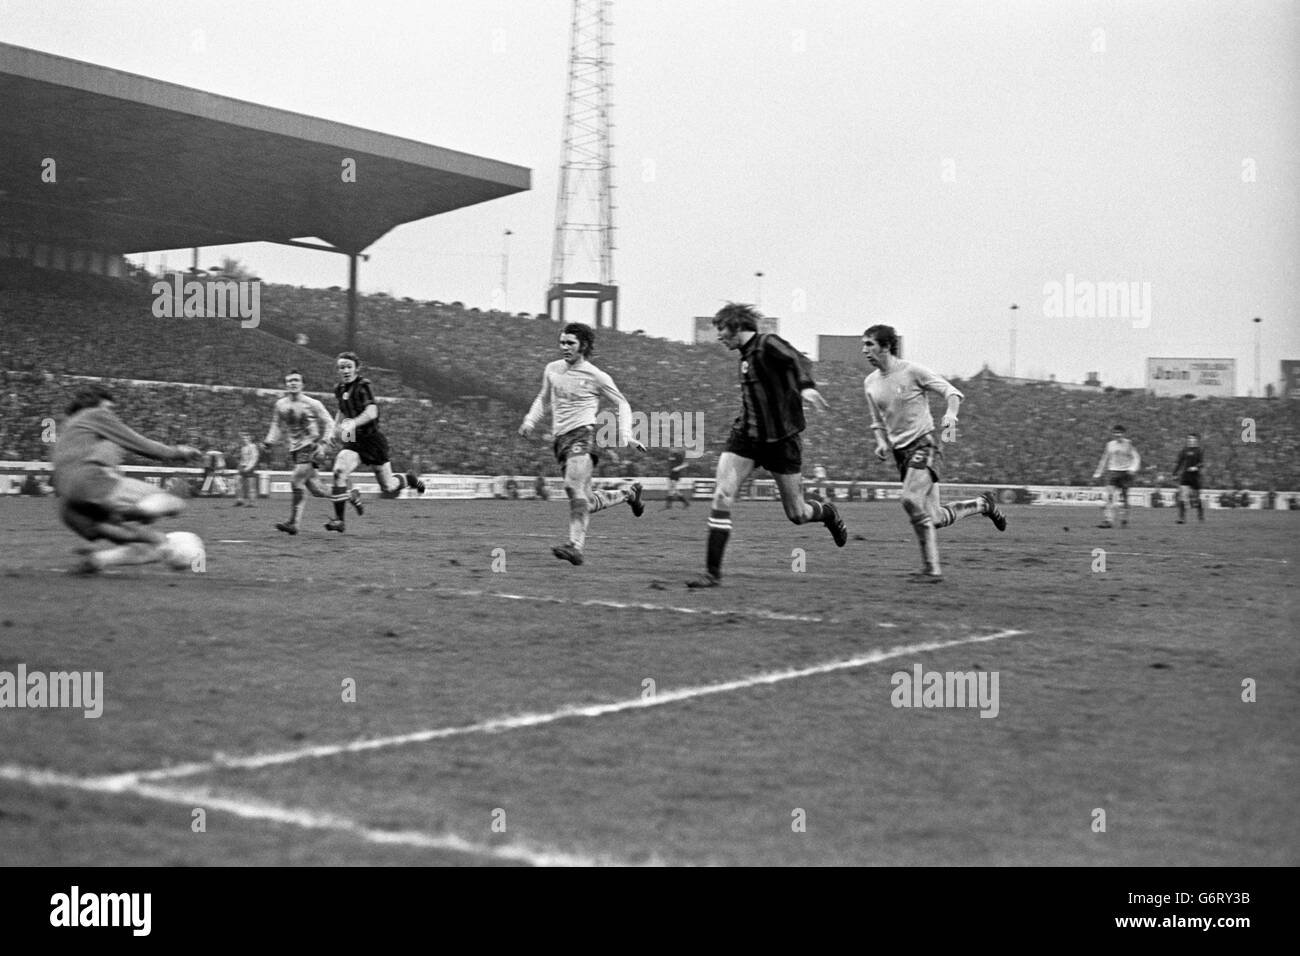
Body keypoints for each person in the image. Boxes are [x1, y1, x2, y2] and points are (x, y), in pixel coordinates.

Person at [687, 304, 847, 588]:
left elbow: (798, 360)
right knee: (722, 495)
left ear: (736, 326)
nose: (719, 336)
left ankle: (828, 513)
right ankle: (712, 574)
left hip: (782, 441)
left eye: (722, 330)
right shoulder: (745, 355)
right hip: (746, 437)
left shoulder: (766, 343)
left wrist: (806, 386)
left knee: (797, 514)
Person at [862, 324, 1005, 582]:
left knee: (909, 499)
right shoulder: (870, 383)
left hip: (924, 445)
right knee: (935, 518)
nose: (865, 350)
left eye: (869, 344)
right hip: (901, 454)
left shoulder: (912, 371)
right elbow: (876, 421)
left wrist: (950, 415)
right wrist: (881, 442)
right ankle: (984, 504)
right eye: (864, 345)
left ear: (886, 347)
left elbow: (952, 392)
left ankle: (931, 570)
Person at [518, 322, 646, 565]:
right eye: (562, 342)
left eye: (570, 343)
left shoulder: (597, 376)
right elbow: (543, 399)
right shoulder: (552, 369)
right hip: (561, 440)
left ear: (583, 346)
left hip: (583, 435)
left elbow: (622, 403)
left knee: (571, 485)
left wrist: (626, 434)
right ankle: (628, 494)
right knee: (584, 499)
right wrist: (530, 421)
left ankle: (575, 546)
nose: (564, 347)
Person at [51, 383, 203, 573]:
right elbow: (140, 443)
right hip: (91, 483)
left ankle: (97, 561)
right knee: (175, 503)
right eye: (109, 408)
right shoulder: (95, 414)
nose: (112, 414)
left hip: (68, 507)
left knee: (150, 545)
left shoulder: (67, 430)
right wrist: (178, 452)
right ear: (96, 404)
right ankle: (134, 513)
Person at [325, 352, 426, 533]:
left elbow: (372, 412)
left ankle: (409, 479)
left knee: (388, 486)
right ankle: (339, 520)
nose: (345, 370)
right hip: (353, 439)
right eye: (342, 367)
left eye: (349, 366)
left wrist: (353, 423)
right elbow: (342, 411)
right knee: (339, 470)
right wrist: (334, 430)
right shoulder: (339, 388)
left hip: (372, 440)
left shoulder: (364, 386)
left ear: (357, 368)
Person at [264, 370, 338, 535]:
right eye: (289, 381)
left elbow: (330, 422)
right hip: (295, 449)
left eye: (296, 380)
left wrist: (324, 443)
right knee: (317, 490)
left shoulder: (313, 404)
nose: (293, 383)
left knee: (296, 480)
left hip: (311, 446)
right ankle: (349, 496)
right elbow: (276, 425)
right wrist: (269, 440)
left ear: (302, 384)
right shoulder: (280, 405)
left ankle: (293, 523)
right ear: (286, 384)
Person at [1092, 424, 1141, 528]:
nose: (1117, 435)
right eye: (1115, 432)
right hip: (1112, 472)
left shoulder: (1128, 444)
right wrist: (1098, 472)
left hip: (1125, 473)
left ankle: (1124, 519)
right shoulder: (1110, 444)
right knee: (1109, 496)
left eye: (1119, 433)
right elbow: (1104, 458)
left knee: (1124, 498)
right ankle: (1108, 521)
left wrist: (1133, 469)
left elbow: (1136, 457)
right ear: (1113, 433)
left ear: (1123, 433)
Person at [1171, 432, 1204, 524]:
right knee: (1183, 496)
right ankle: (1182, 518)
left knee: (1196, 498)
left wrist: (1195, 467)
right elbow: (1179, 463)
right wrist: (1174, 473)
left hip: (1195, 477)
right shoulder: (1184, 450)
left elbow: (1201, 463)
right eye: (1189, 439)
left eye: (1192, 439)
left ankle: (1200, 514)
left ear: (1196, 440)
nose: (1190, 440)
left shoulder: (1199, 451)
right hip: (1185, 476)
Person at [234, 433, 260, 507]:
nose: (243, 439)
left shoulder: (253, 446)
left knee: (251, 486)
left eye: (245, 438)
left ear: (249, 438)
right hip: (242, 466)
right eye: (243, 438)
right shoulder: (243, 448)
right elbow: (242, 458)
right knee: (237, 482)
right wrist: (239, 466)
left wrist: (249, 467)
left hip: (250, 468)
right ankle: (240, 500)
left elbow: (254, 458)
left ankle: (252, 503)